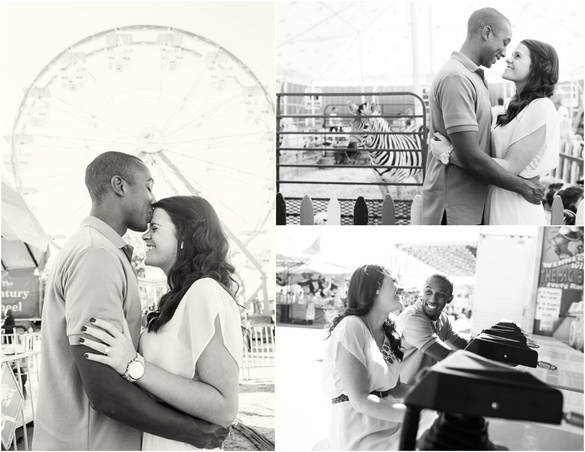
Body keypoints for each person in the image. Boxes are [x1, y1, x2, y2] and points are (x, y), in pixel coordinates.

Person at [32, 152, 228, 450]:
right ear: (119, 185)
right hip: (92, 443)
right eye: (148, 187)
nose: (153, 199)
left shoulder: (97, 250)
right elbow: (104, 389)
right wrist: (191, 432)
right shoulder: (96, 255)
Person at [82, 196, 243, 450]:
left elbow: (224, 407)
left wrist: (134, 365)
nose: (145, 237)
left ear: (184, 237)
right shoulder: (180, 298)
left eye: (154, 228)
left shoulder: (204, 292)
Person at [422, 7, 544, 225]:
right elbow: (471, 158)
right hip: (454, 208)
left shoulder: (471, 76)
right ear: (487, 33)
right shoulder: (456, 77)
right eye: (505, 42)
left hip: (470, 204)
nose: (505, 53)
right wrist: (523, 186)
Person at [432, 39, 561, 225]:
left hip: (515, 207)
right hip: (498, 196)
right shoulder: (515, 106)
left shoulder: (541, 107)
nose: (508, 59)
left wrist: (449, 154)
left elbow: (511, 166)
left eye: (517, 56)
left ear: (536, 68)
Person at [321, 264, 409, 450]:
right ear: (375, 288)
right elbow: (360, 400)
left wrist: (433, 397)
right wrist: (415, 413)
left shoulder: (390, 333)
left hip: (388, 423)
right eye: (394, 282)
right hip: (359, 431)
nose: (400, 288)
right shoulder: (351, 327)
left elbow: (396, 388)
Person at [396, 274, 468, 386]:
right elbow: (447, 356)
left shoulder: (443, 318)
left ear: (450, 298)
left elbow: (462, 345)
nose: (433, 299)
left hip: (425, 388)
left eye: (440, 294)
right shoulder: (412, 317)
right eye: (428, 292)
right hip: (403, 394)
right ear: (423, 291)